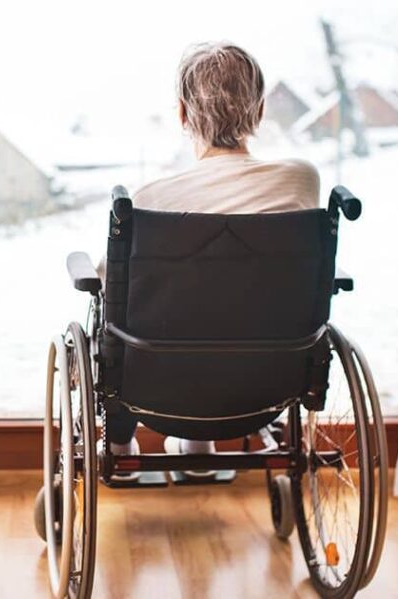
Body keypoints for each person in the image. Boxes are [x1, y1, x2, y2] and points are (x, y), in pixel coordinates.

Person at [106, 41, 320, 481]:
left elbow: (115, 289)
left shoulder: (151, 201)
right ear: (259, 112)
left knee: (115, 322)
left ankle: (119, 446)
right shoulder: (300, 181)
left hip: (160, 387)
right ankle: (199, 444)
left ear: (184, 115)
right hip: (267, 385)